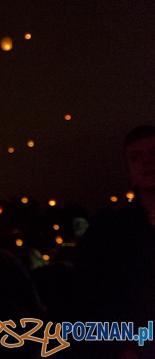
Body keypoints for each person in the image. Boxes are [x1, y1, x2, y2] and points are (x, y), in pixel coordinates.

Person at [75, 125, 155, 359]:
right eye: (136, 157)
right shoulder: (107, 233)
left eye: (153, 154)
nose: (146, 163)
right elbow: (91, 299)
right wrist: (121, 348)